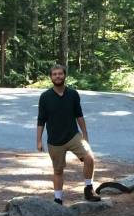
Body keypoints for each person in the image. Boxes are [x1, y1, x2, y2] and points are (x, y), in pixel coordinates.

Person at [36, 64, 102, 204]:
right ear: (51, 77)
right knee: (58, 171)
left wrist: (85, 134)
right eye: (54, 74)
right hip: (54, 140)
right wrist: (39, 140)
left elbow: (79, 115)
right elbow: (41, 120)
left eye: (60, 73)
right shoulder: (45, 97)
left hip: (73, 136)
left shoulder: (73, 94)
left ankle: (88, 189)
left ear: (65, 75)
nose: (58, 76)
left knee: (89, 157)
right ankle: (58, 199)